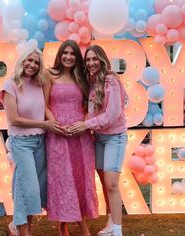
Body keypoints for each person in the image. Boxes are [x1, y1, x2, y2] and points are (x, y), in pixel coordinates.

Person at [0, 48, 62, 236]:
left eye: (36, 63)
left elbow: (46, 108)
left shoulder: (39, 84)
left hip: (40, 141)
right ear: (22, 61)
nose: (32, 65)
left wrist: (56, 125)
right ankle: (23, 230)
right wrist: (45, 124)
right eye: (29, 60)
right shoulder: (10, 85)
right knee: (30, 188)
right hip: (21, 142)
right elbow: (14, 119)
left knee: (34, 188)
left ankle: (21, 228)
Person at [69, 45, 127, 236]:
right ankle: (111, 223)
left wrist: (86, 125)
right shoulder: (92, 82)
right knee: (104, 183)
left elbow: (112, 114)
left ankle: (117, 231)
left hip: (114, 138)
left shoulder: (111, 80)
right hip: (99, 138)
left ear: (102, 60)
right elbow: (92, 111)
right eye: (88, 60)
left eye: (95, 59)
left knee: (111, 184)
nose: (92, 63)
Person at [44, 40, 99, 236]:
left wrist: (83, 124)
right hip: (58, 134)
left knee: (80, 178)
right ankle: (76, 226)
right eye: (65, 53)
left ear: (77, 57)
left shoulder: (83, 77)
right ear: (60, 55)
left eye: (72, 54)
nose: (68, 57)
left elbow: (89, 105)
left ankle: (67, 223)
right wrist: (54, 124)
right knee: (63, 179)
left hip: (80, 134)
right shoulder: (50, 74)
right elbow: (44, 104)